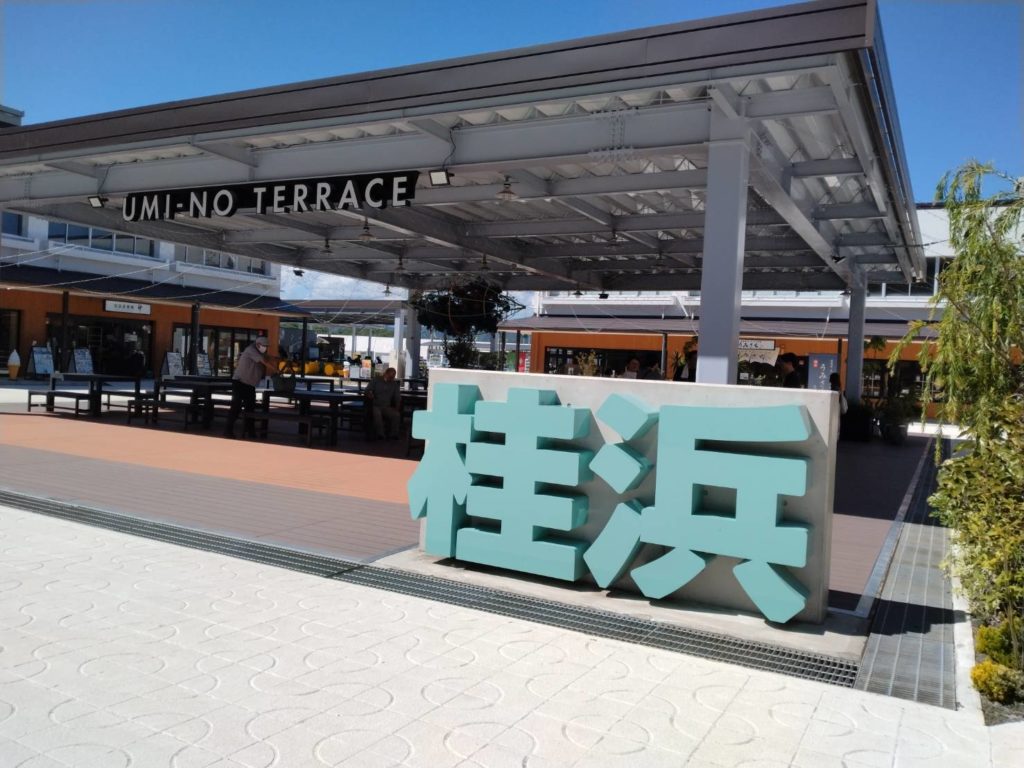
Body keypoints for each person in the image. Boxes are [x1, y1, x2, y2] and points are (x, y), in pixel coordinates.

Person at [224, 336, 277, 439]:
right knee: (236, 407)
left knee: (250, 408)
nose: (266, 348)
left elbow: (267, 357)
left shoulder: (259, 352)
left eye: (267, 346)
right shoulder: (251, 350)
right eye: (265, 346)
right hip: (240, 382)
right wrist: (276, 370)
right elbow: (264, 361)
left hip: (250, 385)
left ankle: (250, 432)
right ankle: (228, 430)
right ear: (258, 344)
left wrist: (276, 358)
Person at [365, 366, 402, 440]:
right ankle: (380, 434)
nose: (391, 378)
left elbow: (397, 396)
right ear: (386, 373)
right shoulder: (376, 380)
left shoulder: (394, 384)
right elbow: (367, 390)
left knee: (396, 415)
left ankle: (393, 434)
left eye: (393, 377)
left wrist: (397, 407)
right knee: (377, 415)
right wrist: (370, 394)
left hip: (386, 406)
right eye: (390, 376)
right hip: (375, 405)